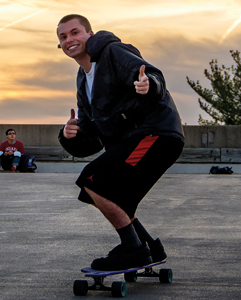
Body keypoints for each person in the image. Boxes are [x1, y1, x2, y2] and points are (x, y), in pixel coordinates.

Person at [56, 14, 185, 271]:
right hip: (134, 139)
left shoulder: (113, 51)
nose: (69, 40)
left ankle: (133, 251)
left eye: (75, 32)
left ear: (89, 35)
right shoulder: (83, 79)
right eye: (63, 37)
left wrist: (149, 85)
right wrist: (70, 135)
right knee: (110, 194)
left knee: (92, 179)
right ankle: (149, 247)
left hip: (155, 132)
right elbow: (92, 137)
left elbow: (151, 74)